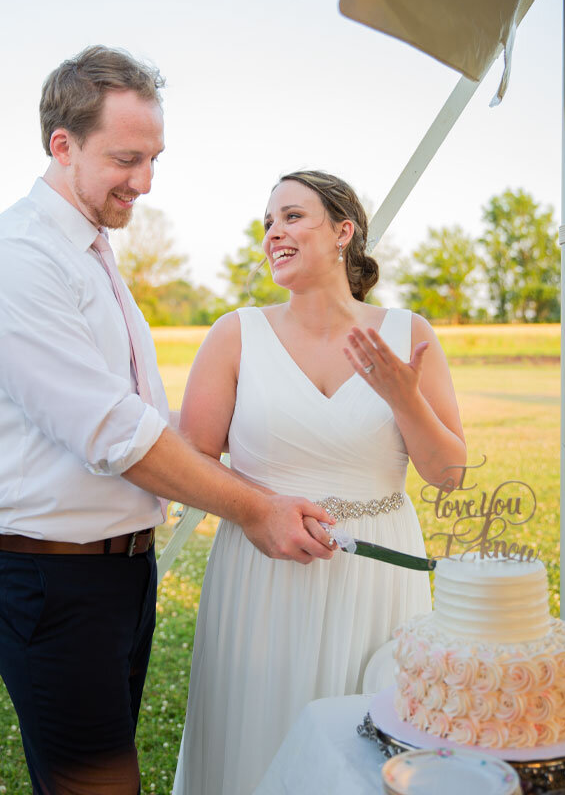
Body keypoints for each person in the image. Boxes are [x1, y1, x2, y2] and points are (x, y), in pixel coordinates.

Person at [0, 46, 336, 795]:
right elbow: (117, 433)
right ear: (63, 145)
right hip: (55, 582)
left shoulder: (93, 253)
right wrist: (257, 508)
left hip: (120, 574)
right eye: (127, 158)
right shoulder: (22, 255)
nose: (145, 182)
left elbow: (152, 416)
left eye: (154, 158)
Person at [172, 170, 466, 793]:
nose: (274, 231)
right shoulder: (234, 333)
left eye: (291, 216)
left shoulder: (408, 333)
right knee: (259, 734)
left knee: (369, 740)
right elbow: (190, 457)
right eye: (268, 223)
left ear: (342, 231)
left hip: (378, 574)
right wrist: (257, 508)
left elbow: (449, 474)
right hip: (263, 573)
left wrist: (405, 400)